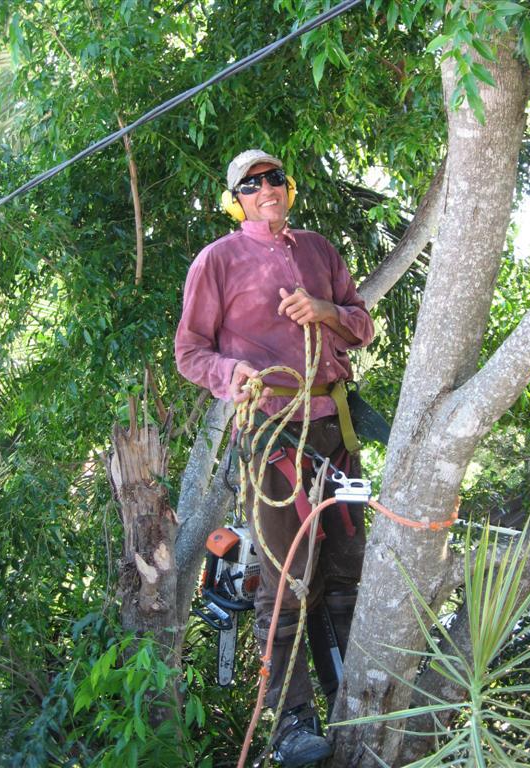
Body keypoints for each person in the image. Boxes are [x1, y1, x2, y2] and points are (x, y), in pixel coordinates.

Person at [175, 149, 374, 767]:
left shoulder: (318, 250)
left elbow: (363, 326)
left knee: (344, 568)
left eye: (275, 178)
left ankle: (348, 695)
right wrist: (233, 371)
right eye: (252, 183)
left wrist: (327, 313)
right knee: (288, 575)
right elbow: (189, 351)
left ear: (289, 188)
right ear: (236, 199)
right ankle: (290, 724)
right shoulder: (218, 261)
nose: (268, 188)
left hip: (332, 428)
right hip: (271, 433)